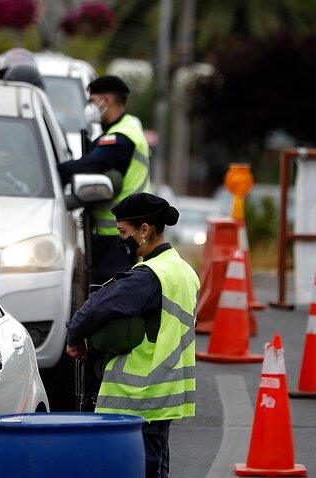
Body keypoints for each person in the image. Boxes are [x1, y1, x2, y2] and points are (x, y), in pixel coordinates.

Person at [65, 192, 199, 478]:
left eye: (123, 232)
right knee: (156, 464)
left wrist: (74, 337)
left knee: (141, 468)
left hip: (140, 392)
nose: (121, 239)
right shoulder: (183, 271)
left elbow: (97, 306)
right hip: (167, 388)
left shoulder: (148, 276)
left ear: (145, 230)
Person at [58, 75, 151, 285]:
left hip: (117, 234)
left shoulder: (121, 135)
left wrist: (56, 171)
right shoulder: (123, 129)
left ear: (106, 100)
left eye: (92, 101)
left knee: (111, 291)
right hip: (119, 231)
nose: (89, 107)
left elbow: (91, 165)